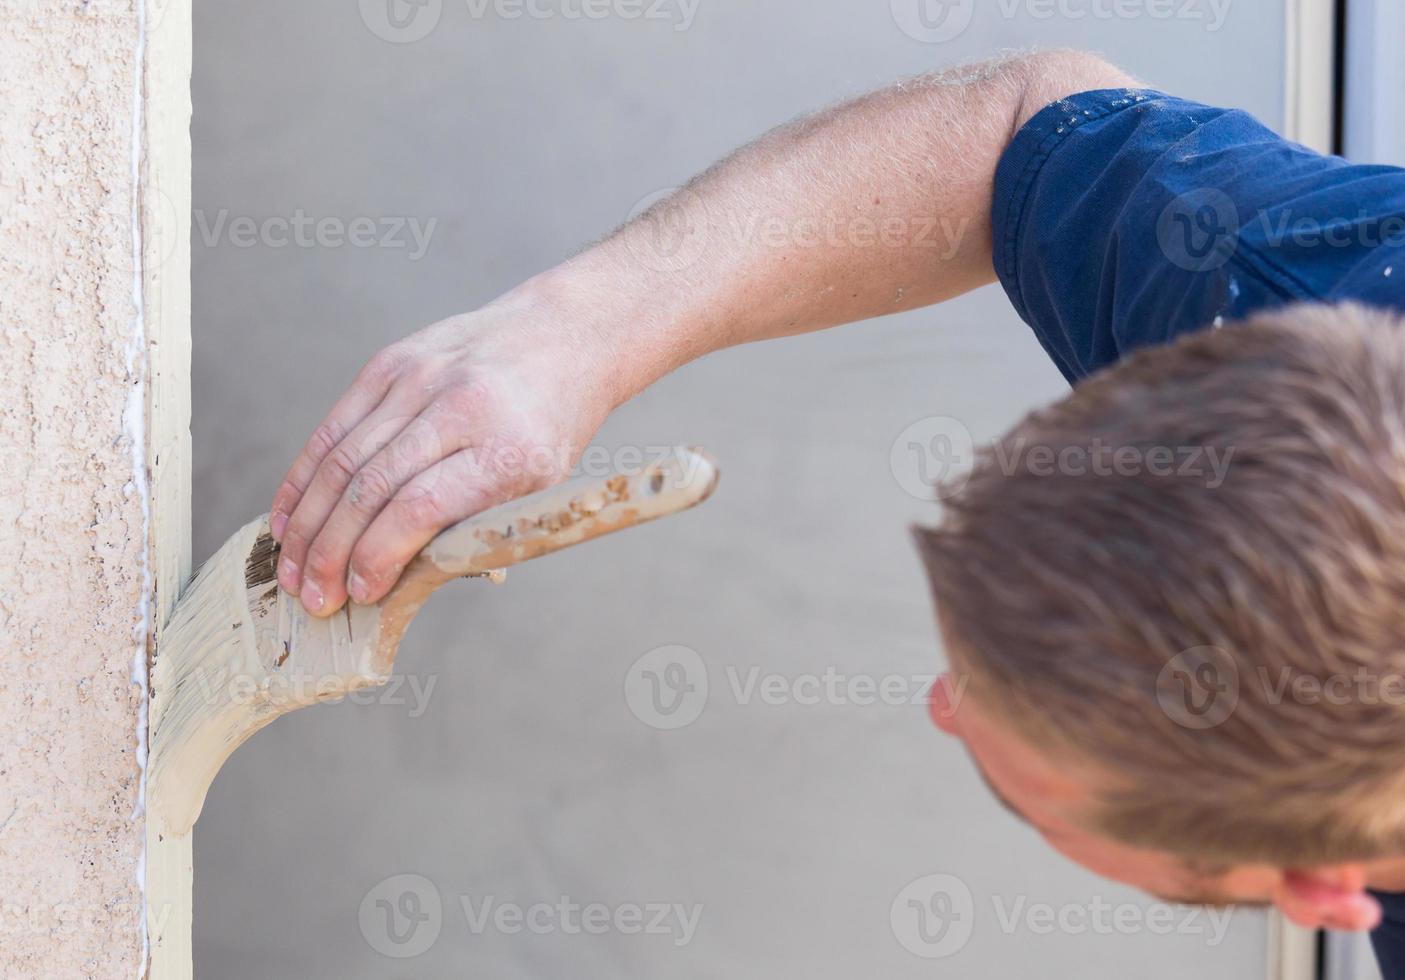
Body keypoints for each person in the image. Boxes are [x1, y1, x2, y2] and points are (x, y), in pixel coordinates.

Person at [262, 48, 1405, 972]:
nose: (939, 704)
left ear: (1321, 890)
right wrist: (575, 333)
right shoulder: (1291, 283)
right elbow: (1016, 131)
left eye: (1020, 789)